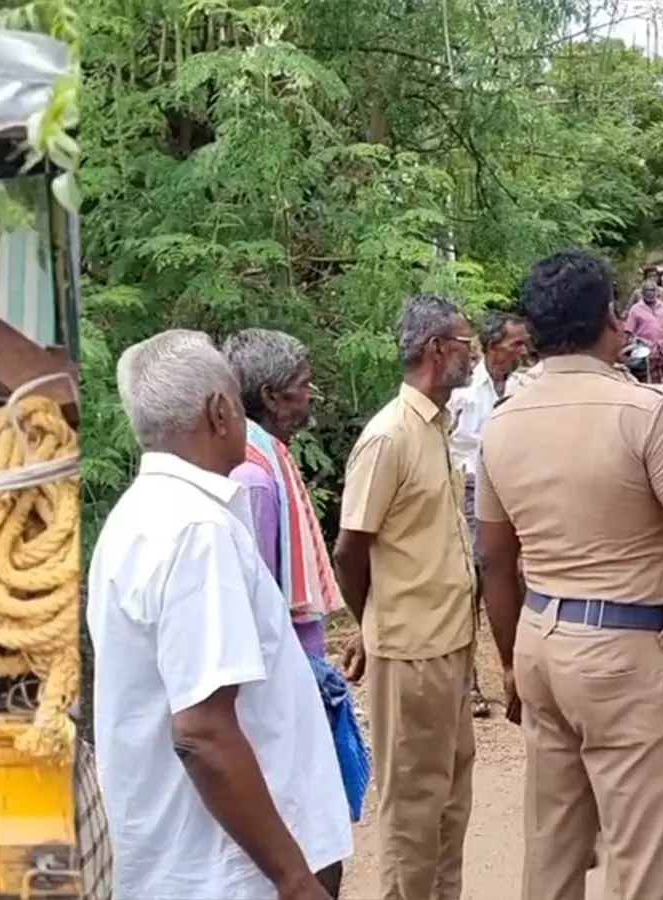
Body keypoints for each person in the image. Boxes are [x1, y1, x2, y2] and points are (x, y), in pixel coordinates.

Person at [476, 248, 663, 900]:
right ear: (609, 317)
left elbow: (494, 561)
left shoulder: (501, 422)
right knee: (648, 858)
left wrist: (512, 661)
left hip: (541, 642)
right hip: (624, 651)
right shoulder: (645, 412)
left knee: (553, 845)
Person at [87, 329, 352, 900]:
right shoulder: (197, 532)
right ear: (220, 410)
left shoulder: (140, 516)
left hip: (191, 862)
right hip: (225, 873)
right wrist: (294, 878)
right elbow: (203, 733)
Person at [333, 294, 477, 900]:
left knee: (452, 799)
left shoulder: (437, 427)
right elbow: (350, 549)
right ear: (436, 349)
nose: (474, 355)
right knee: (413, 808)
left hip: (452, 642)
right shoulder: (388, 437)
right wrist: (373, 623)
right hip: (412, 650)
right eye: (466, 343)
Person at [223, 328, 371, 839]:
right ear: (271, 396)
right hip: (282, 684)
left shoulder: (270, 460)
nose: (312, 396)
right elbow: (260, 608)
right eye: (304, 385)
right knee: (312, 835)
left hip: (296, 672)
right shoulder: (255, 480)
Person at [448, 311, 530, 719]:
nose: (523, 349)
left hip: (513, 487)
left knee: (519, 576)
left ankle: (520, 671)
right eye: (516, 343)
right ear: (495, 346)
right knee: (475, 581)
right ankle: (471, 683)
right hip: (470, 488)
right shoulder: (463, 390)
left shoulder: (523, 386)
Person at [624, 267, 663, 384]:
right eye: (647, 291)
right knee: (653, 382)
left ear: (657, 292)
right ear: (642, 293)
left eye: (652, 290)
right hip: (647, 354)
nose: (650, 293)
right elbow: (628, 333)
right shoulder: (636, 310)